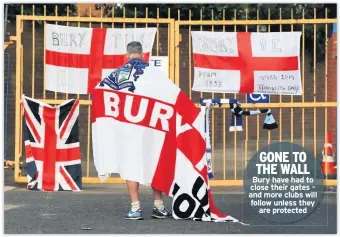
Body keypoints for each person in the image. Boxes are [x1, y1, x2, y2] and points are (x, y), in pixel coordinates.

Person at [121, 41, 172, 220]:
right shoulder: (153, 73)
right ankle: (158, 206)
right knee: (153, 165)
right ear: (143, 54)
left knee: (131, 166)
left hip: (131, 127)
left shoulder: (121, 74)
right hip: (151, 126)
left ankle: (135, 208)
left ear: (127, 54)